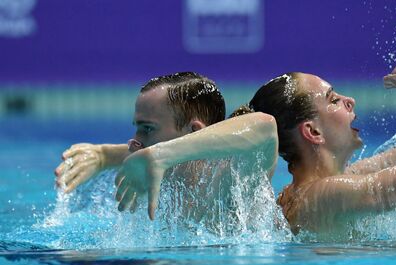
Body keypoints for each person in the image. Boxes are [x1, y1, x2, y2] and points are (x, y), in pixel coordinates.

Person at [234, 50, 396, 235]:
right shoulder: (326, 194)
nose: (350, 100)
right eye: (333, 100)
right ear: (313, 131)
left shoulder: (313, 189)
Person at [55, 72, 278, 221]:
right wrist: (103, 156)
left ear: (195, 132)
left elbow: (266, 127)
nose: (135, 141)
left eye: (148, 129)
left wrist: (161, 154)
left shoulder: (232, 176)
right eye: (137, 128)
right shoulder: (167, 180)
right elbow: (147, 153)